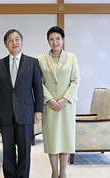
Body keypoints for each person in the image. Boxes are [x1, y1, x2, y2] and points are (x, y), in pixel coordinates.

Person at [0, 29, 43, 178]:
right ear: (5, 44)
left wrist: (38, 110)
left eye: (17, 39)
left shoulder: (32, 63)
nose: (14, 42)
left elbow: (38, 88)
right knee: (8, 150)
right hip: (4, 113)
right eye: (11, 40)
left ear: (22, 42)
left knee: (25, 150)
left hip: (25, 112)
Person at [37, 26, 80, 178]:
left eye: (58, 39)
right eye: (51, 39)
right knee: (52, 140)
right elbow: (39, 82)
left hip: (66, 106)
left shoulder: (72, 58)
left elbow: (75, 80)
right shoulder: (41, 59)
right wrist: (49, 99)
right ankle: (54, 173)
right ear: (48, 41)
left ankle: (63, 172)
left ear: (63, 40)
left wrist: (64, 99)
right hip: (49, 106)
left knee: (66, 139)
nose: (55, 42)